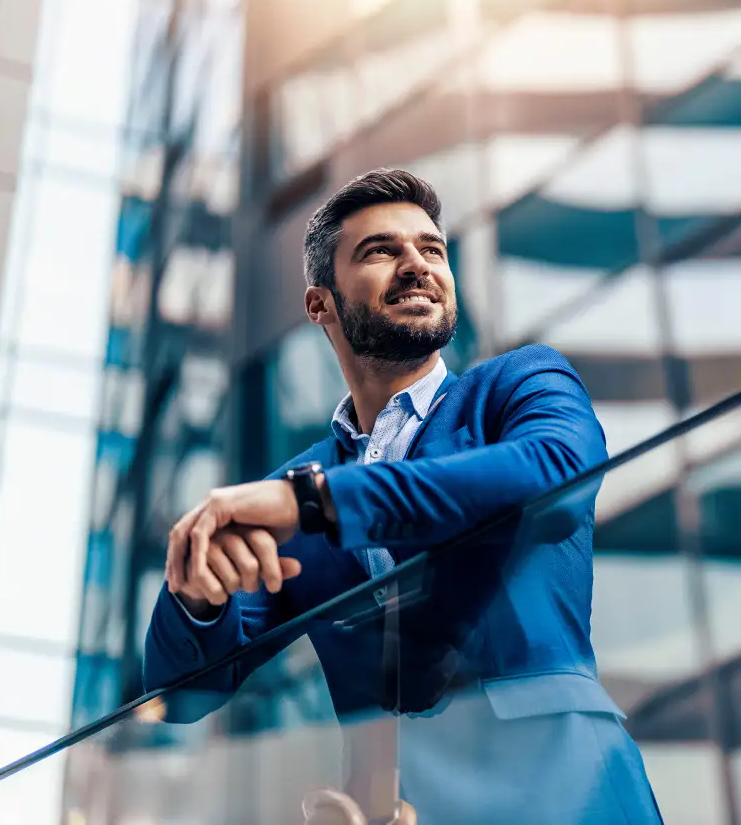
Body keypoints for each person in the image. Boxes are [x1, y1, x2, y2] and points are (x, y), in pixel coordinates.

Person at [144, 169, 663, 824]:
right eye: (381, 250)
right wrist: (196, 592)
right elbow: (183, 695)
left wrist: (322, 504)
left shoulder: (519, 384)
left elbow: (553, 474)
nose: (418, 265)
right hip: (395, 807)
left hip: (565, 789)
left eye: (432, 249)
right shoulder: (297, 485)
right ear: (320, 304)